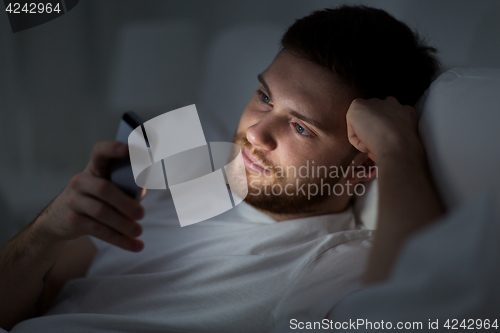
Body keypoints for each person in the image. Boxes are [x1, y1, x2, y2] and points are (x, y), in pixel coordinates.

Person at [0, 5, 442, 332]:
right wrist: (49, 229)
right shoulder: (179, 190)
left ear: (364, 167)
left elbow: (408, 310)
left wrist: (396, 146)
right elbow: (34, 301)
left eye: (301, 127)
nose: (256, 133)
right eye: (265, 97)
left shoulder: (330, 263)